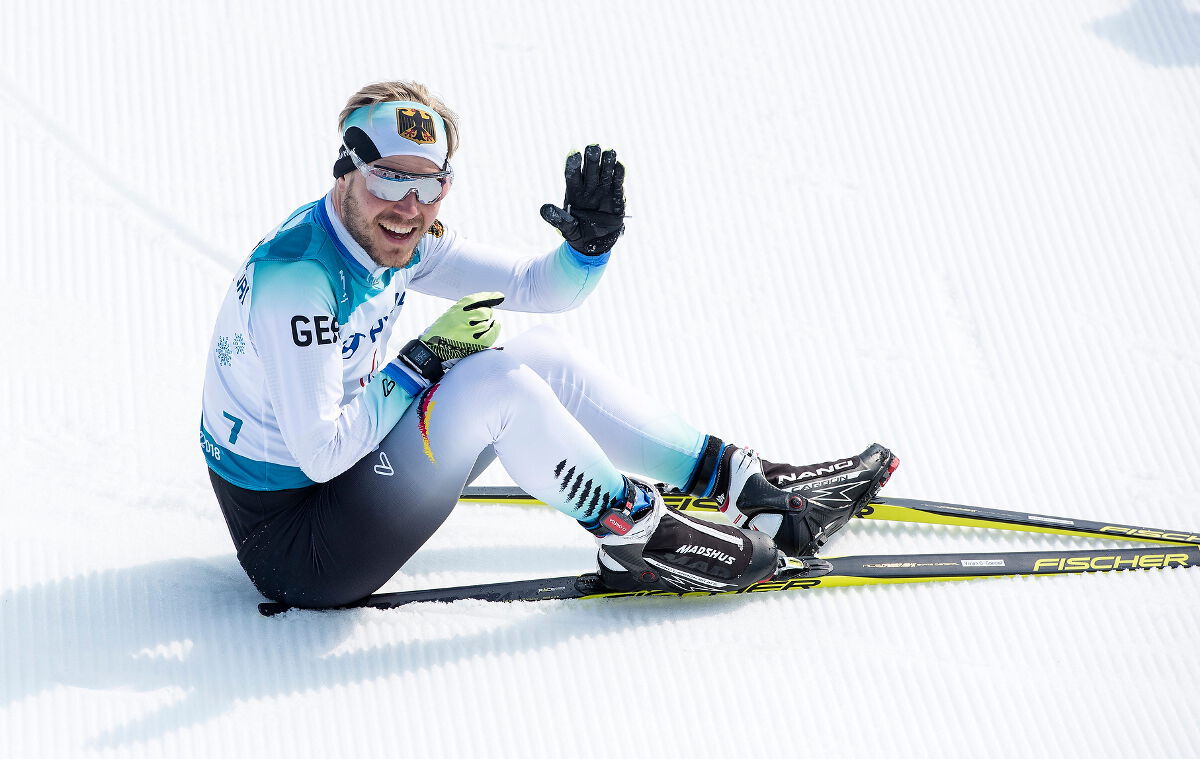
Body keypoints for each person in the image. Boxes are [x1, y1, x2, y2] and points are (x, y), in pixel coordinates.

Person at [200, 80, 899, 608]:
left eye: (431, 185)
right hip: (296, 544)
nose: (409, 207)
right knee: (490, 384)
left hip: (342, 475)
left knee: (535, 353)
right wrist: (425, 359)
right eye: (390, 177)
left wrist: (587, 248)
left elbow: (542, 286)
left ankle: (739, 483)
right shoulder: (300, 280)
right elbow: (322, 453)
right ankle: (637, 535)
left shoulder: (390, 237)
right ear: (345, 169)